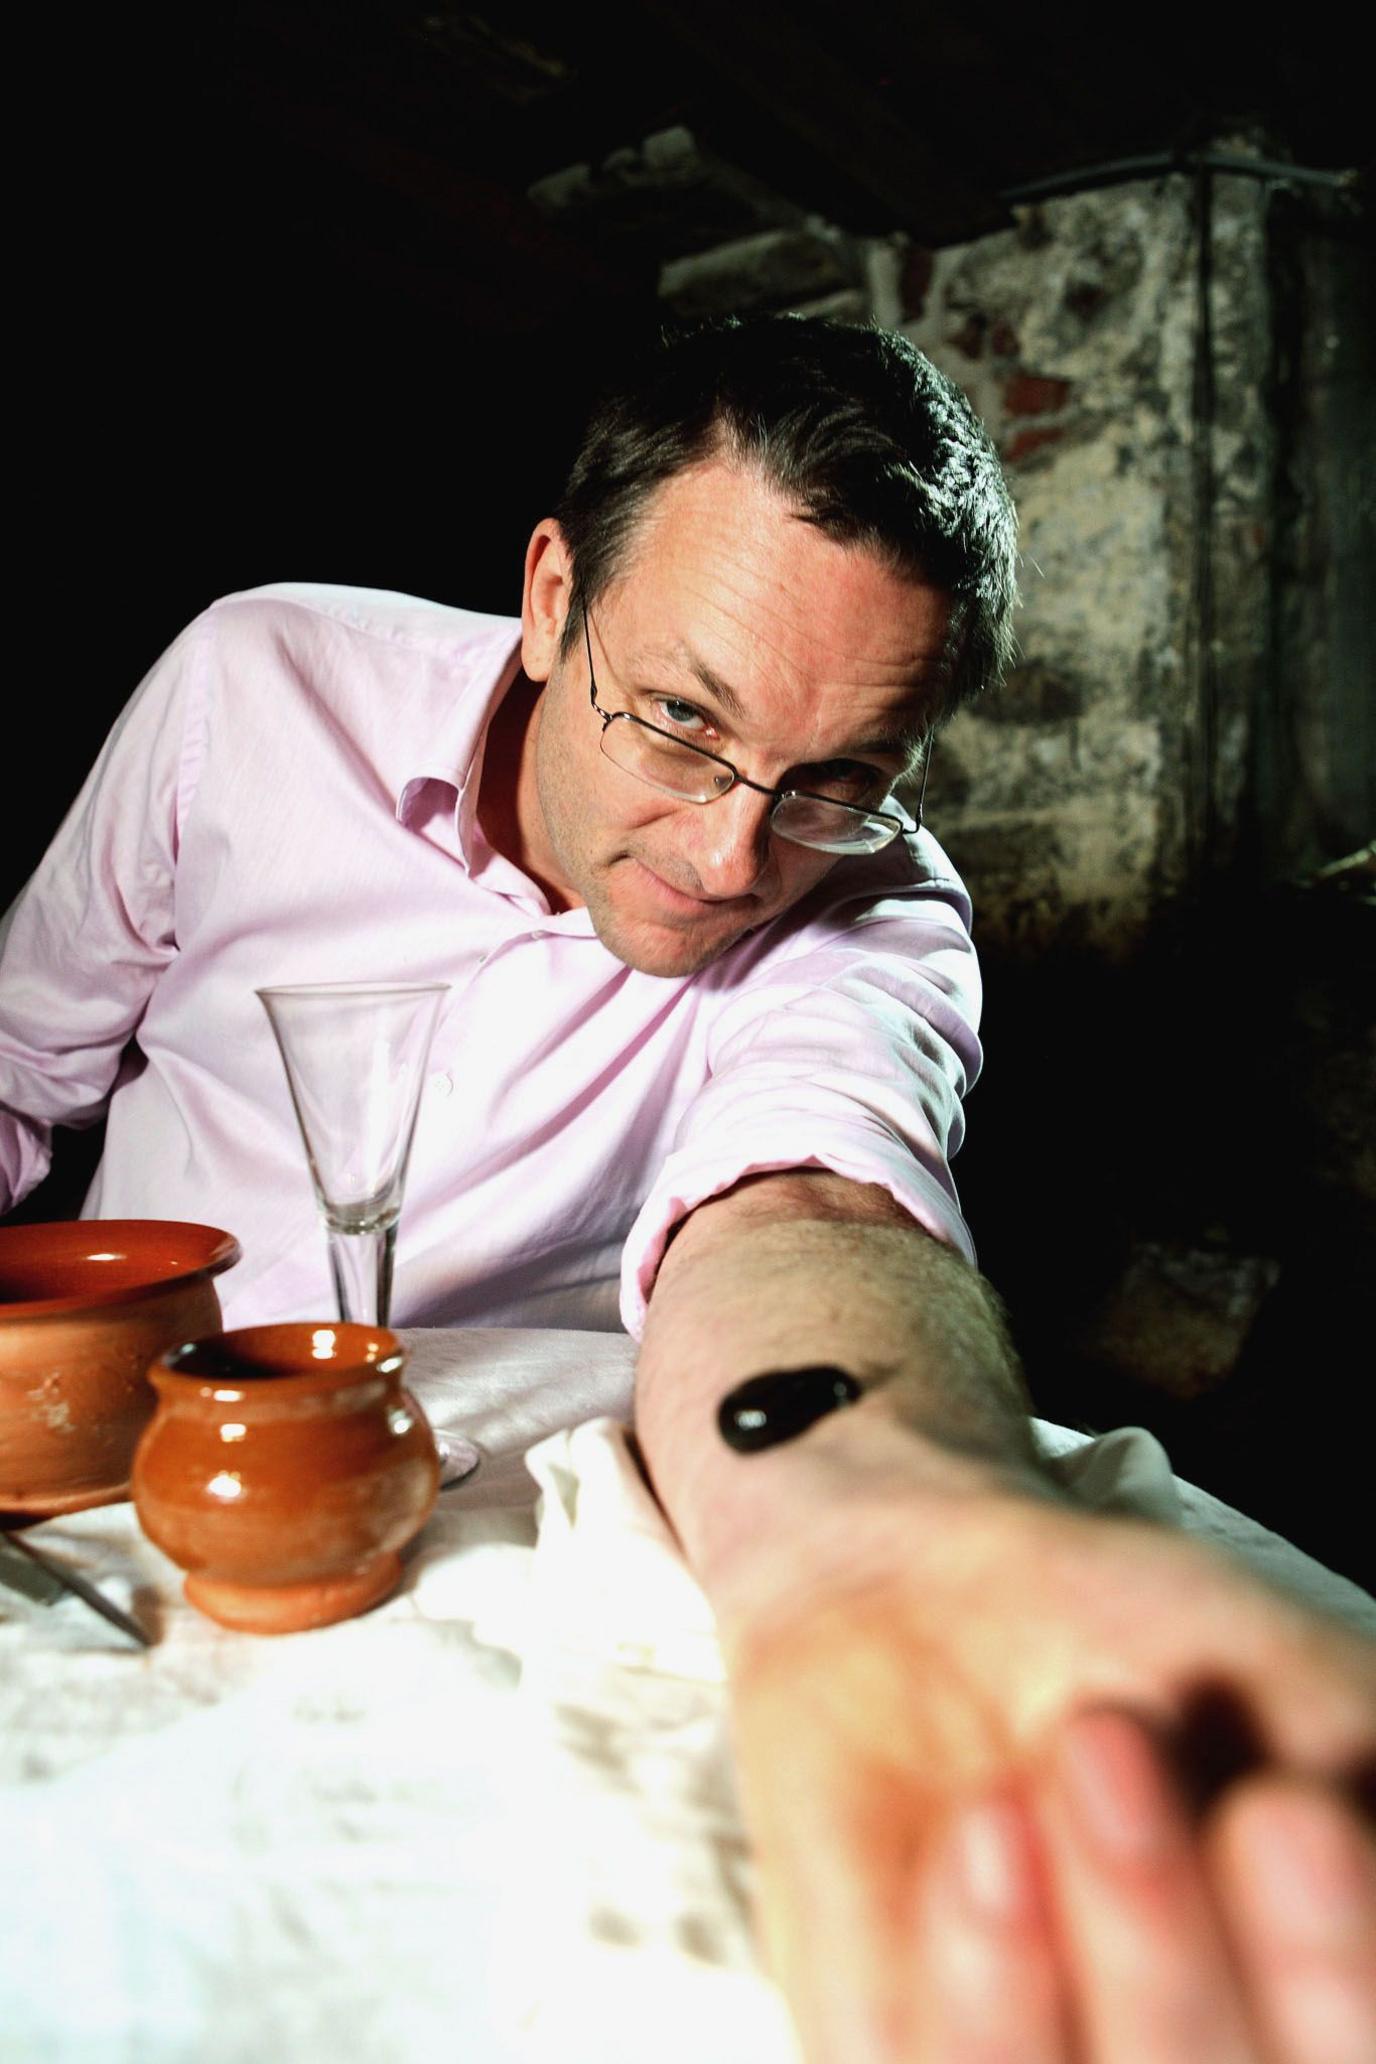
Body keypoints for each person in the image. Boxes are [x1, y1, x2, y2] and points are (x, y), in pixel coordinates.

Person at [2, 315, 1374, 2061]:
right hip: (112, 1480)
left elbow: (807, 1206)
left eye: (835, 780)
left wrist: (887, 1540)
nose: (732, 860)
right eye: (678, 724)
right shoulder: (252, 683)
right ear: (554, 593)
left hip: (477, 1533)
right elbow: (18, 1062)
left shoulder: (873, 906)